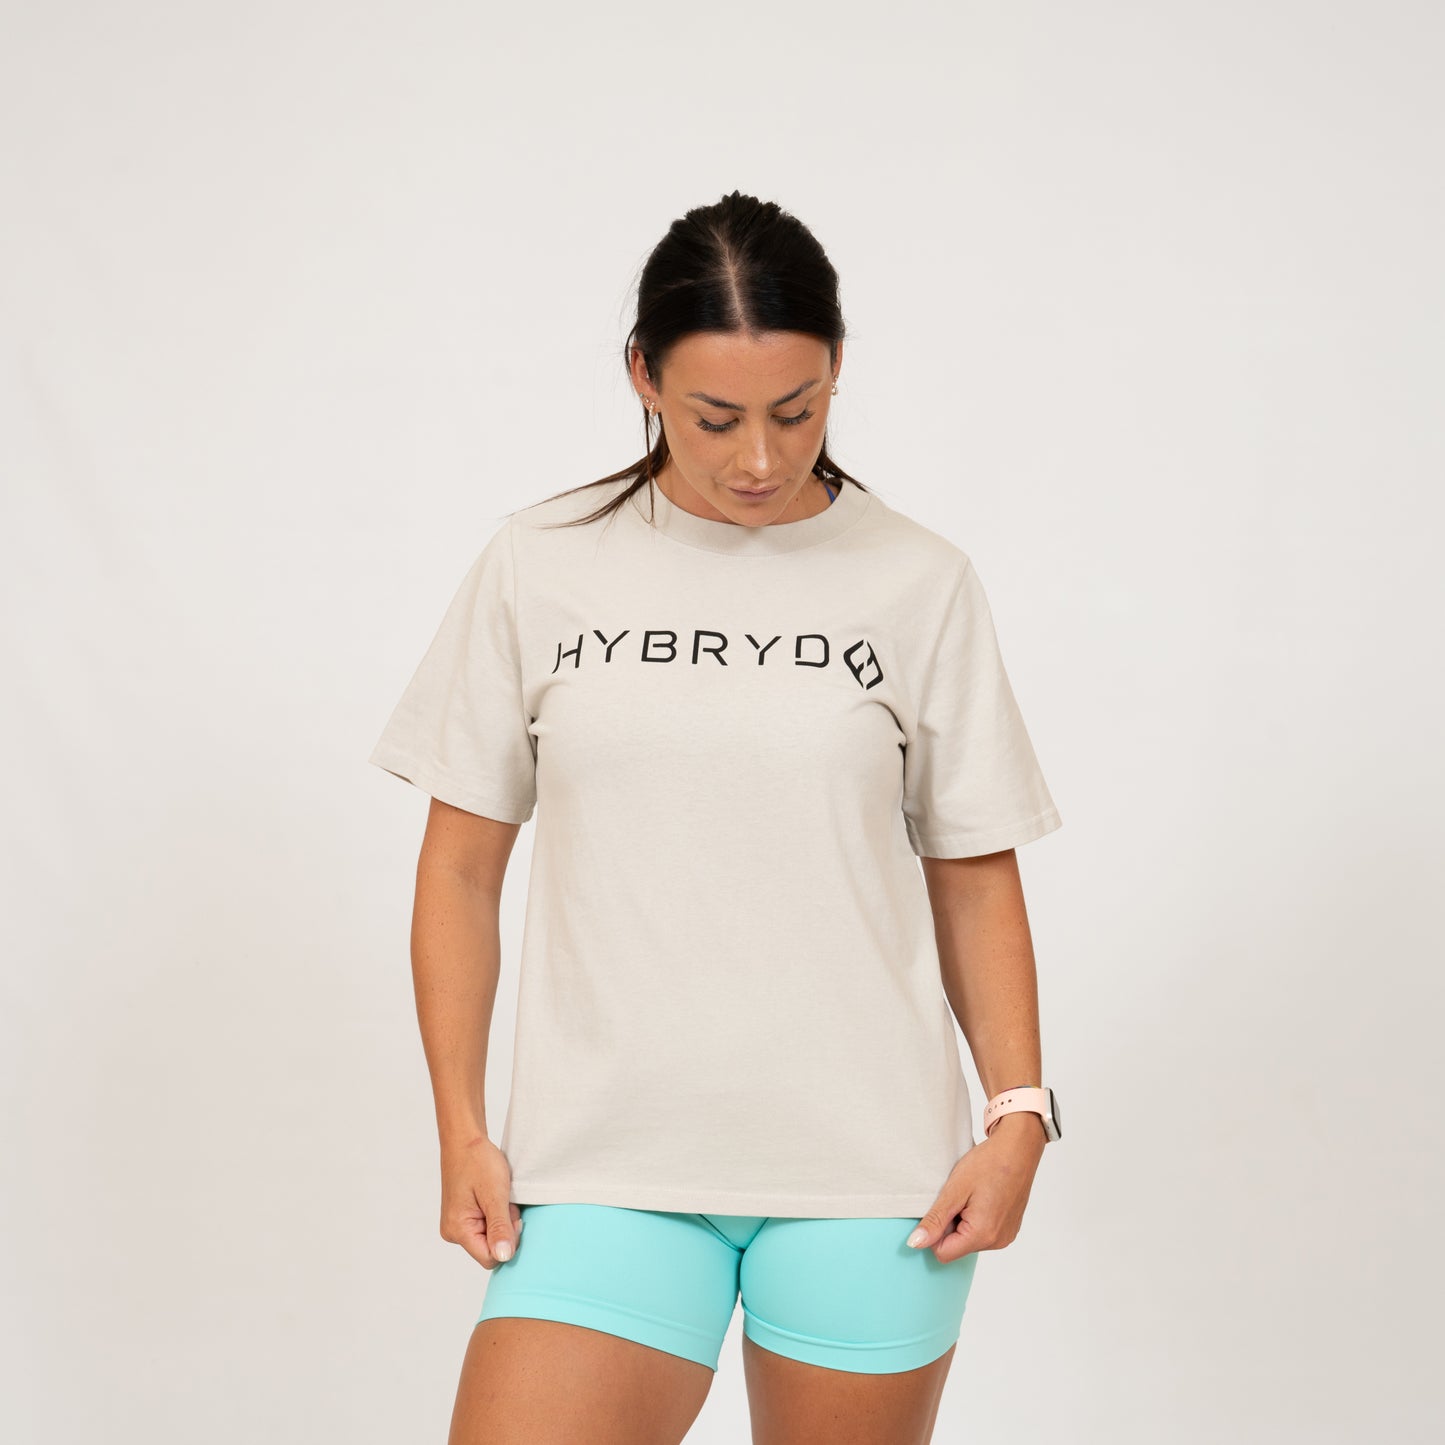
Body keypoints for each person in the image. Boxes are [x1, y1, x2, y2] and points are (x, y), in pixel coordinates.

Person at [368, 190, 1064, 1445]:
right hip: (599, 1166)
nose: (758, 458)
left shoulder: (918, 581)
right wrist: (460, 1127)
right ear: (641, 374)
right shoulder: (538, 563)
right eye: (714, 417)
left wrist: (1018, 1115)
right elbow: (460, 870)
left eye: (795, 412)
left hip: (869, 1182)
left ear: (836, 370)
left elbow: (970, 871)